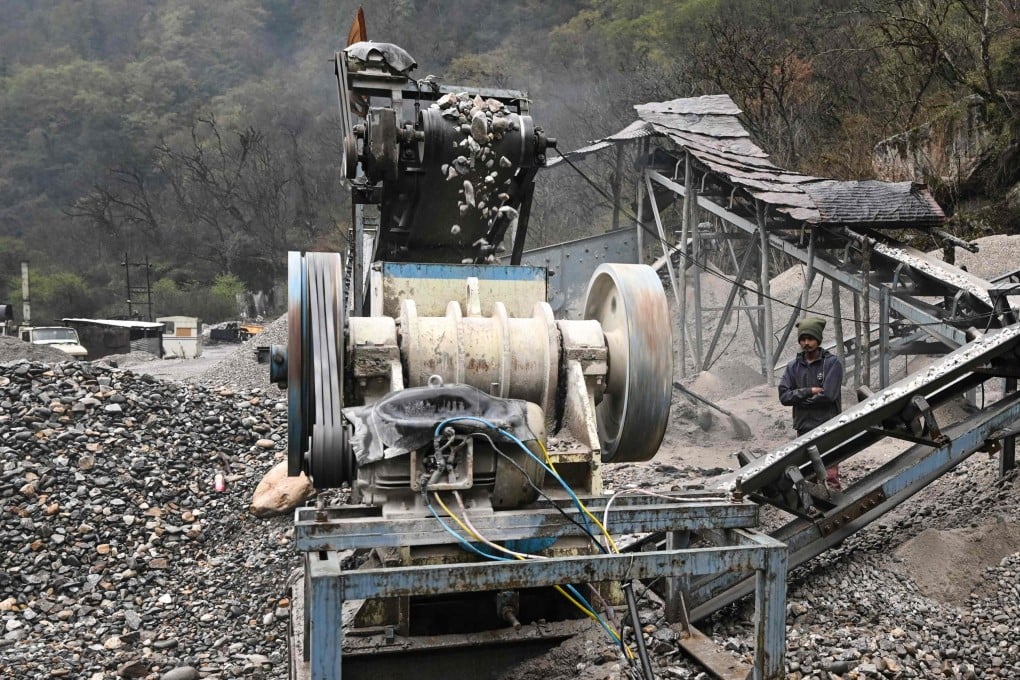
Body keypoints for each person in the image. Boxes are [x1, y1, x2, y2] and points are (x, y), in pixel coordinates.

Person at [778, 316, 844, 489]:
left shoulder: (832, 364)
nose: (806, 343)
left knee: (830, 476)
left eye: (810, 339)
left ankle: (835, 510)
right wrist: (809, 391)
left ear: (818, 340)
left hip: (828, 427)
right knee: (809, 476)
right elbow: (784, 396)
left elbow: (829, 395)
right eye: (803, 339)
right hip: (804, 428)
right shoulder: (793, 366)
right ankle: (816, 513)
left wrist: (799, 400)